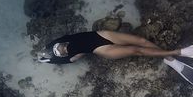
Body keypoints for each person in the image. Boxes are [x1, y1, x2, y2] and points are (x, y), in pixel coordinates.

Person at [37, 30, 180, 64]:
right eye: (61, 52)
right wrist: (46, 61)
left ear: (60, 42)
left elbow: (47, 49)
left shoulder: (62, 39)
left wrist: (42, 55)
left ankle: (166, 55)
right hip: (102, 50)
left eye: (59, 47)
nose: (62, 49)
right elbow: (56, 60)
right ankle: (171, 53)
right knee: (137, 50)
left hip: (102, 35)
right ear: (63, 56)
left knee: (141, 40)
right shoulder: (71, 58)